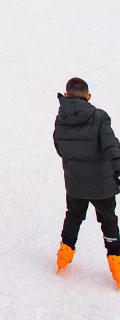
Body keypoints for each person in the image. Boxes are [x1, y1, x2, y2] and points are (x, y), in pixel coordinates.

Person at [53, 76, 120, 285]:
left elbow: (60, 149)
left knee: (73, 217)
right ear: (88, 96)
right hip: (102, 185)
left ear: (66, 94)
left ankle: (64, 256)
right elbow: (111, 145)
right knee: (108, 221)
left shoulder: (61, 120)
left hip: (76, 184)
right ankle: (117, 265)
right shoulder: (100, 117)